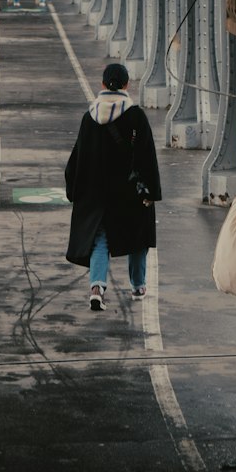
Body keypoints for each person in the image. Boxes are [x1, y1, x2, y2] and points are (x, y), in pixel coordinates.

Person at [65, 62, 161, 310]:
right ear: (127, 85)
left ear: (103, 85)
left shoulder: (90, 118)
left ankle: (96, 287)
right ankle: (138, 285)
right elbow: (146, 156)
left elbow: (78, 157)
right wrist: (151, 190)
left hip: (97, 192)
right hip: (128, 191)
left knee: (100, 240)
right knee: (138, 236)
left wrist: (73, 189)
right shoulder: (136, 116)